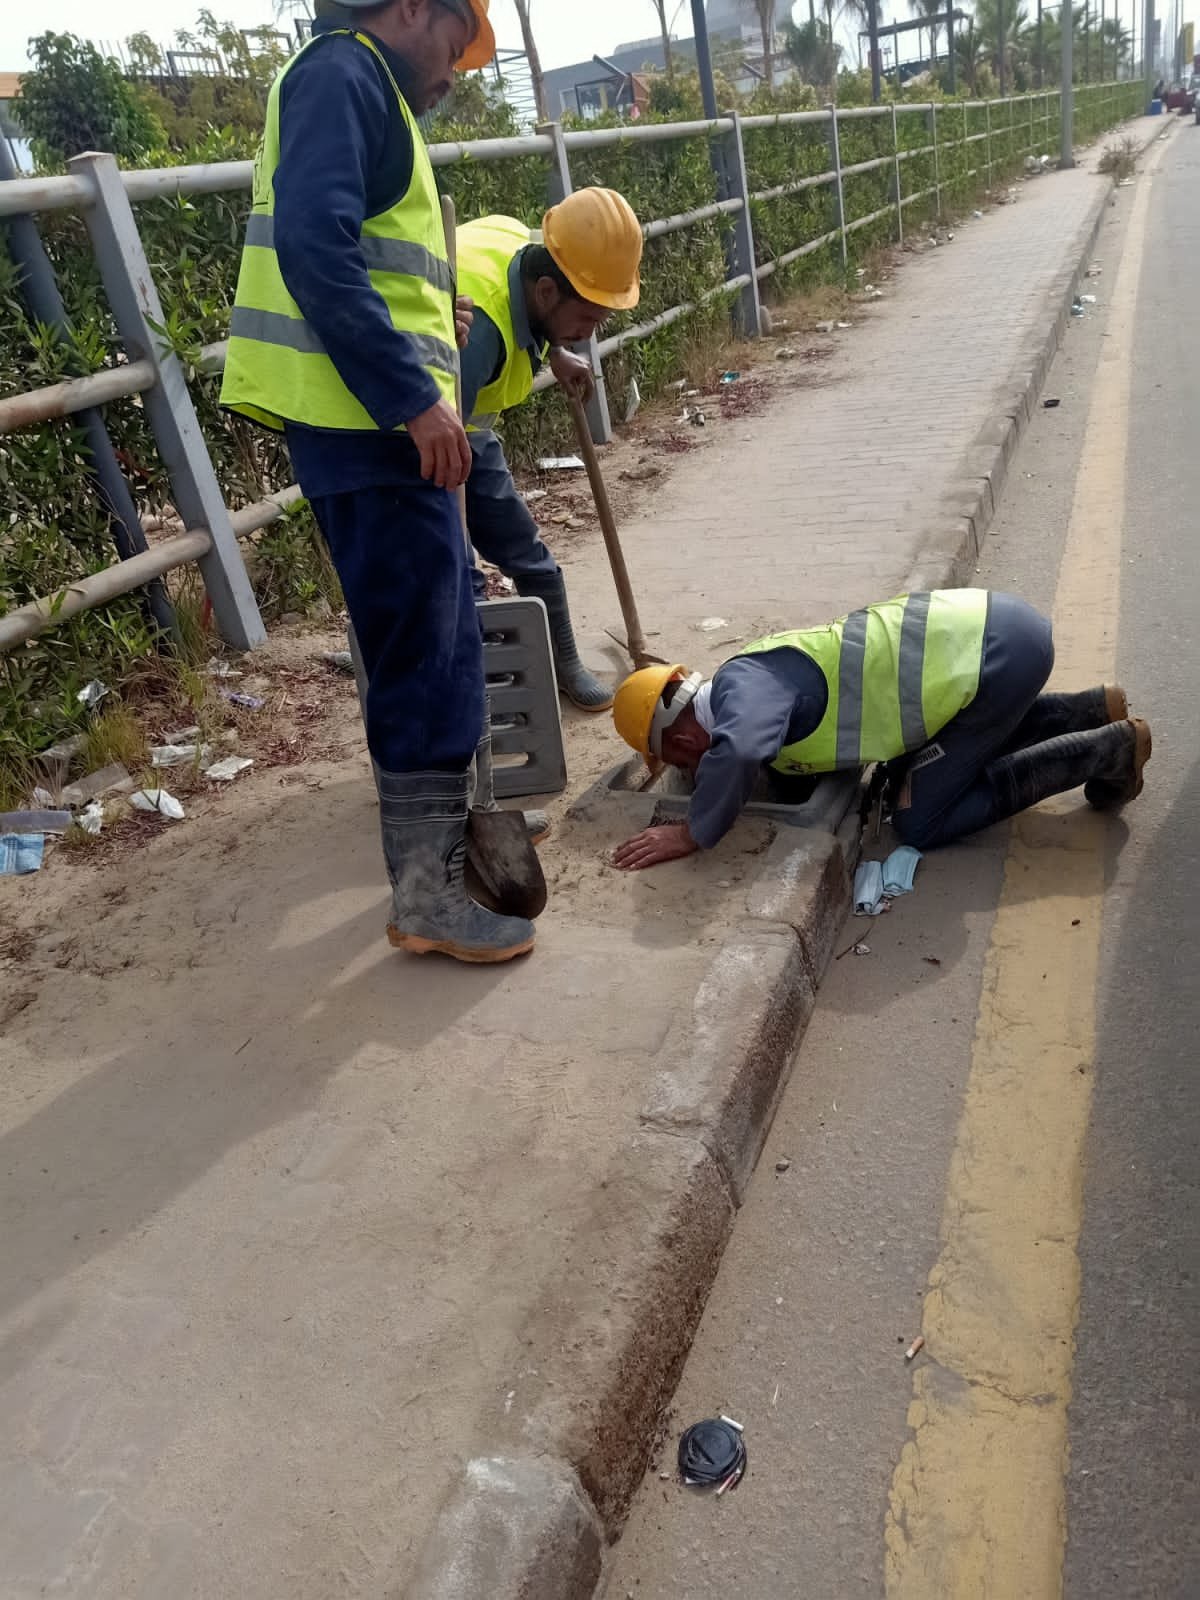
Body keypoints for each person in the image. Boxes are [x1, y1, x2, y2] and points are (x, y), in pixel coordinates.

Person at [221, 0, 537, 965]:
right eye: (453, 45)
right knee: (421, 655)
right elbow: (318, 253)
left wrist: (433, 329)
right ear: (407, 8)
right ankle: (427, 895)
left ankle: (440, 863)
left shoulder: (363, 88)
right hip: (370, 429)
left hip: (380, 431)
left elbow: (366, 257)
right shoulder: (342, 74)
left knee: (437, 640)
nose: (452, 73)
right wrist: (412, 398)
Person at [608, 589, 1152, 870]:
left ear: (682, 740)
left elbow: (743, 747)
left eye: (682, 763)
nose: (691, 769)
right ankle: (1087, 711)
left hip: (995, 658)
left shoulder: (742, 689)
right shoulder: (749, 676)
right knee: (935, 763)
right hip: (993, 634)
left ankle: (1110, 751)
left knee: (918, 818)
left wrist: (693, 831)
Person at [456, 192, 643, 712]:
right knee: (456, 573)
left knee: (530, 555)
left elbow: (528, 313)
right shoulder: (480, 336)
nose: (589, 335)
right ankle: (477, 690)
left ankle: (562, 662)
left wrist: (555, 350)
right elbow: (431, 443)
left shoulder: (531, 251)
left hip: (466, 424)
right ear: (546, 292)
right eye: (586, 320)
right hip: (418, 435)